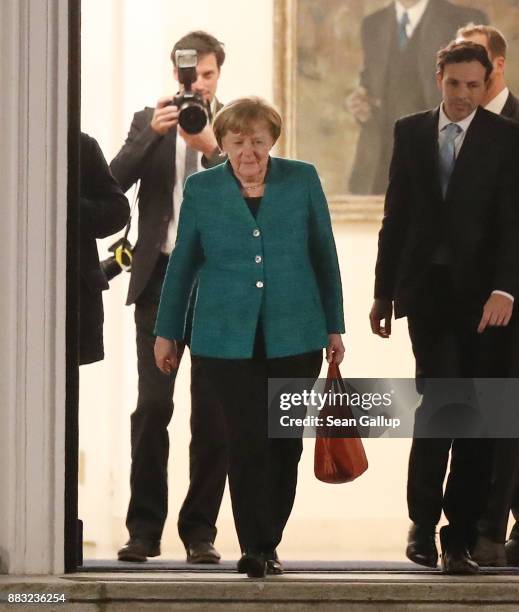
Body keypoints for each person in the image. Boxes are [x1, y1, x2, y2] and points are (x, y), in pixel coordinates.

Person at [154, 96, 345, 577]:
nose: (249, 152)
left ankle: (268, 536)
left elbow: (324, 253)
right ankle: (255, 547)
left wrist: (334, 326)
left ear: (271, 142)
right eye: (238, 142)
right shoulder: (202, 189)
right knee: (246, 440)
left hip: (296, 334)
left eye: (258, 142)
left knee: (285, 441)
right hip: (223, 339)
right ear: (223, 144)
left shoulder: (301, 180)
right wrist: (167, 333)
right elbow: (182, 266)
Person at [369, 41, 519, 574]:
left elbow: (513, 223)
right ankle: (422, 522)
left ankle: (459, 536)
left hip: (487, 304)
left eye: (473, 86)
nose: (462, 95)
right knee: (442, 404)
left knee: (478, 414)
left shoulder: (506, 138)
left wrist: (506, 289)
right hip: (428, 294)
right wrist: (383, 292)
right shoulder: (410, 131)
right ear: (440, 78)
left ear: (486, 84)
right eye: (453, 84)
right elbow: (396, 217)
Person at [110, 31, 228, 564]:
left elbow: (258, 193)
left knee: (213, 413)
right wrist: (148, 138)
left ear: (218, 76)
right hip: (158, 277)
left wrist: (216, 150)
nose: (197, 85)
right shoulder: (147, 121)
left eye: (206, 75)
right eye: (189, 76)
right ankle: (144, 529)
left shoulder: (235, 125)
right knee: (153, 407)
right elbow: (109, 187)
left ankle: (200, 531)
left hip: (218, 283)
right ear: (175, 75)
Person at [456, 24, 519, 567]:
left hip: (511, 297)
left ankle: (494, 527)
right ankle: (477, 525)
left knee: (504, 411)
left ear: (495, 66)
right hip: (457, 304)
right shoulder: (440, 126)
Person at [347, 0, 488, 195]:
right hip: (384, 160)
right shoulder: (372, 24)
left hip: (443, 154)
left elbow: (481, 89)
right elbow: (369, 85)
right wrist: (361, 105)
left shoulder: (464, 20)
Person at [79, 132, 129, 366]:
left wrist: (68, 203)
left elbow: (117, 211)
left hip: (73, 295)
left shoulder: (81, 145)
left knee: (62, 394)